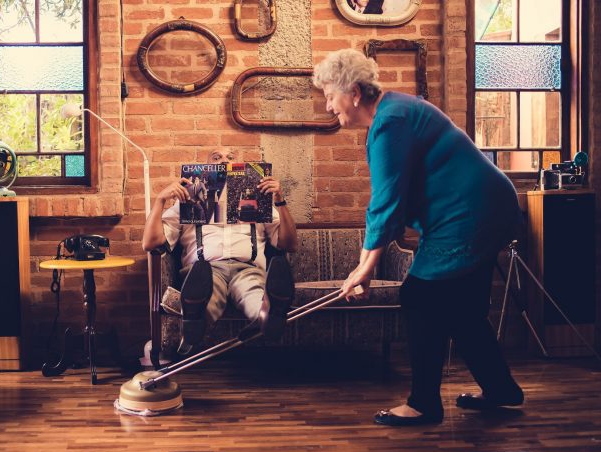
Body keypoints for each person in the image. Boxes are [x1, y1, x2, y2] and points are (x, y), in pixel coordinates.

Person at [313, 49, 524, 426]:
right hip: (485, 208)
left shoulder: (391, 120)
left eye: (330, 95)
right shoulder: (394, 111)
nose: (328, 106)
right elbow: (396, 197)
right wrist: (364, 265)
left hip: (470, 214)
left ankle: (424, 404)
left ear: (355, 92)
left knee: (420, 296)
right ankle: (501, 389)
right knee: (464, 312)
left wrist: (365, 268)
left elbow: (387, 199)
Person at [142, 148, 298, 353]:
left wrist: (279, 199)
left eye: (231, 158)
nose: (224, 161)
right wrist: (160, 201)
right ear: (205, 168)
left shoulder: (259, 201)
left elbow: (289, 244)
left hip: (247, 268)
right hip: (206, 271)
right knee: (209, 292)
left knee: (253, 293)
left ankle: (269, 315)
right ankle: (195, 313)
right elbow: (150, 243)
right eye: (216, 158)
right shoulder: (187, 201)